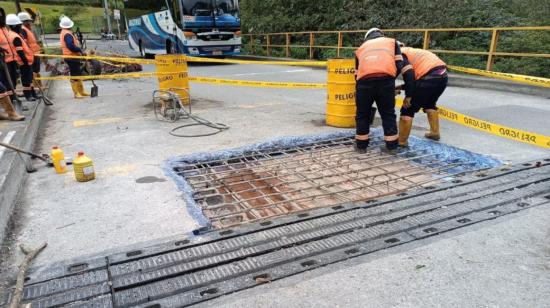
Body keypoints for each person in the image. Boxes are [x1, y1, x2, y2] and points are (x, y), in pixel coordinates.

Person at [354, 28, 414, 153]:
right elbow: (399, 64)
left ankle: (361, 146)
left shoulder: (361, 48)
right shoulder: (392, 43)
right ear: (381, 34)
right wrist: (389, 80)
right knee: (388, 114)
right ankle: (391, 147)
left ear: (367, 38)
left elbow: (356, 74)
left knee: (362, 115)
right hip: (385, 81)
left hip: (364, 83)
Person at [397, 43, 448, 147]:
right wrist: (398, 88)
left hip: (428, 77)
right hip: (442, 76)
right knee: (429, 104)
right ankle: (435, 133)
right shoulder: (412, 51)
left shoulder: (400, 54)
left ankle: (401, 142)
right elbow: (417, 82)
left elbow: (410, 78)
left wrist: (408, 96)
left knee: (408, 109)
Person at [6, 14, 37, 102]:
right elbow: (20, 51)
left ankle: (32, 93)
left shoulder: (15, 34)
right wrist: (25, 61)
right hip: (24, 61)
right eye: (19, 25)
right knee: (26, 79)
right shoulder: (15, 36)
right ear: (15, 26)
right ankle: (28, 95)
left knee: (29, 78)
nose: (21, 26)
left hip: (26, 61)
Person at [59, 16, 89, 99]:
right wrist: (80, 50)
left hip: (71, 56)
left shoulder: (64, 32)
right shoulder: (67, 34)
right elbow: (70, 46)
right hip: (71, 57)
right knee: (74, 74)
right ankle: (76, 93)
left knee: (77, 73)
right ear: (70, 25)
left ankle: (81, 91)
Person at [18, 12, 43, 89]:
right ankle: (35, 87)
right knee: (33, 71)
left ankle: (39, 86)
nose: (29, 22)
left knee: (36, 70)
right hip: (31, 54)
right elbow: (25, 43)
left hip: (35, 53)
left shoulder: (27, 29)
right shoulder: (23, 29)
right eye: (27, 21)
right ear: (23, 21)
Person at [0, 9, 19, 104]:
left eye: (1, 15)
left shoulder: (4, 29)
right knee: (6, 83)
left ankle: (14, 99)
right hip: (3, 62)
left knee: (13, 82)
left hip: (11, 59)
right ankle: (10, 102)